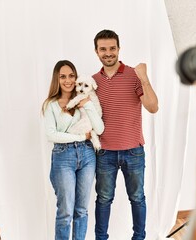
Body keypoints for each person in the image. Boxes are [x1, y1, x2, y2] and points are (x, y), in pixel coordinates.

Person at [92, 29, 158, 240]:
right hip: (104, 153)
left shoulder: (134, 75)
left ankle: (139, 238)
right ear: (97, 52)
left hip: (133, 150)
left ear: (119, 49)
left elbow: (153, 107)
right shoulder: (93, 81)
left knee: (137, 198)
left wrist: (144, 78)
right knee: (103, 199)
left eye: (112, 48)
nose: (108, 53)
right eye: (103, 49)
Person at [42, 60, 104, 240]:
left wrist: (87, 104)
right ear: (57, 79)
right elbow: (51, 135)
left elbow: (99, 129)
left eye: (71, 76)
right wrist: (79, 137)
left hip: (87, 155)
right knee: (66, 211)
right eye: (63, 76)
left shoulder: (86, 100)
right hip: (63, 156)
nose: (68, 80)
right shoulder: (51, 104)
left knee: (82, 210)